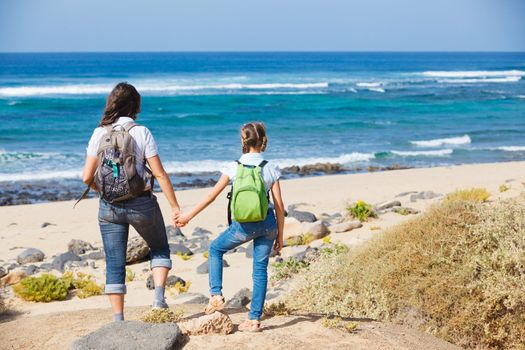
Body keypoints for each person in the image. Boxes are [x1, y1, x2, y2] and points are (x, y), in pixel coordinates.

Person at [82, 82, 180, 321]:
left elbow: (86, 177)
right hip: (142, 204)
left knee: (115, 262)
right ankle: (158, 301)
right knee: (159, 248)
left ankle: (118, 319)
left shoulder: (98, 133)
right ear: (135, 106)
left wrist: (103, 191)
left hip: (109, 207)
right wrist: (175, 208)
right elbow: (159, 173)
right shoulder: (141, 132)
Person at [174, 122, 285, 332]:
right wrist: (280, 234)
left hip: (243, 226)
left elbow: (210, 197)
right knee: (259, 270)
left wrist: (187, 215)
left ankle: (216, 296)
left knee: (216, 249)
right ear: (263, 141)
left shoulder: (233, 167)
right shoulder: (271, 167)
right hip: (268, 223)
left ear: (243, 141)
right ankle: (253, 320)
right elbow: (279, 206)